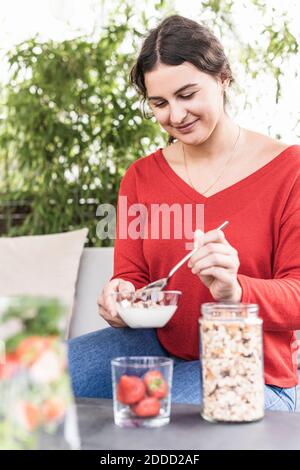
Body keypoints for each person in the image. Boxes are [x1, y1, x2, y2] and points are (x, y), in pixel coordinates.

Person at [68, 14, 300, 411]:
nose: (175, 116)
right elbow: (132, 276)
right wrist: (120, 296)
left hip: (251, 367)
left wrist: (235, 290)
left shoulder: (289, 169)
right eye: (159, 103)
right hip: (156, 347)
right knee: (25, 377)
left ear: (223, 77)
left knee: (154, 419)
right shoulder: (140, 177)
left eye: (188, 94)